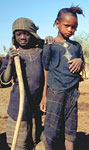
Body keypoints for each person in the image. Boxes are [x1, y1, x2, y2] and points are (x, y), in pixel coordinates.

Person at [0, 17, 53, 150]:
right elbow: (5, 79)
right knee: (19, 142)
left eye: (26, 33)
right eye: (18, 34)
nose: (22, 37)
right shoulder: (13, 53)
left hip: (36, 104)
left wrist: (49, 40)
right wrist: (12, 61)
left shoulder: (40, 52)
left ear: (33, 34)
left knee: (33, 139)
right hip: (18, 105)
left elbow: (47, 72)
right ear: (14, 36)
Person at [40, 6, 84, 150]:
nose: (70, 30)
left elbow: (82, 66)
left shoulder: (76, 46)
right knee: (51, 129)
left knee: (71, 127)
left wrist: (80, 61)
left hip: (73, 92)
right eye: (67, 26)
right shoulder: (50, 44)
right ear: (57, 23)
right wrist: (44, 95)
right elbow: (45, 69)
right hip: (55, 91)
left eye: (74, 27)